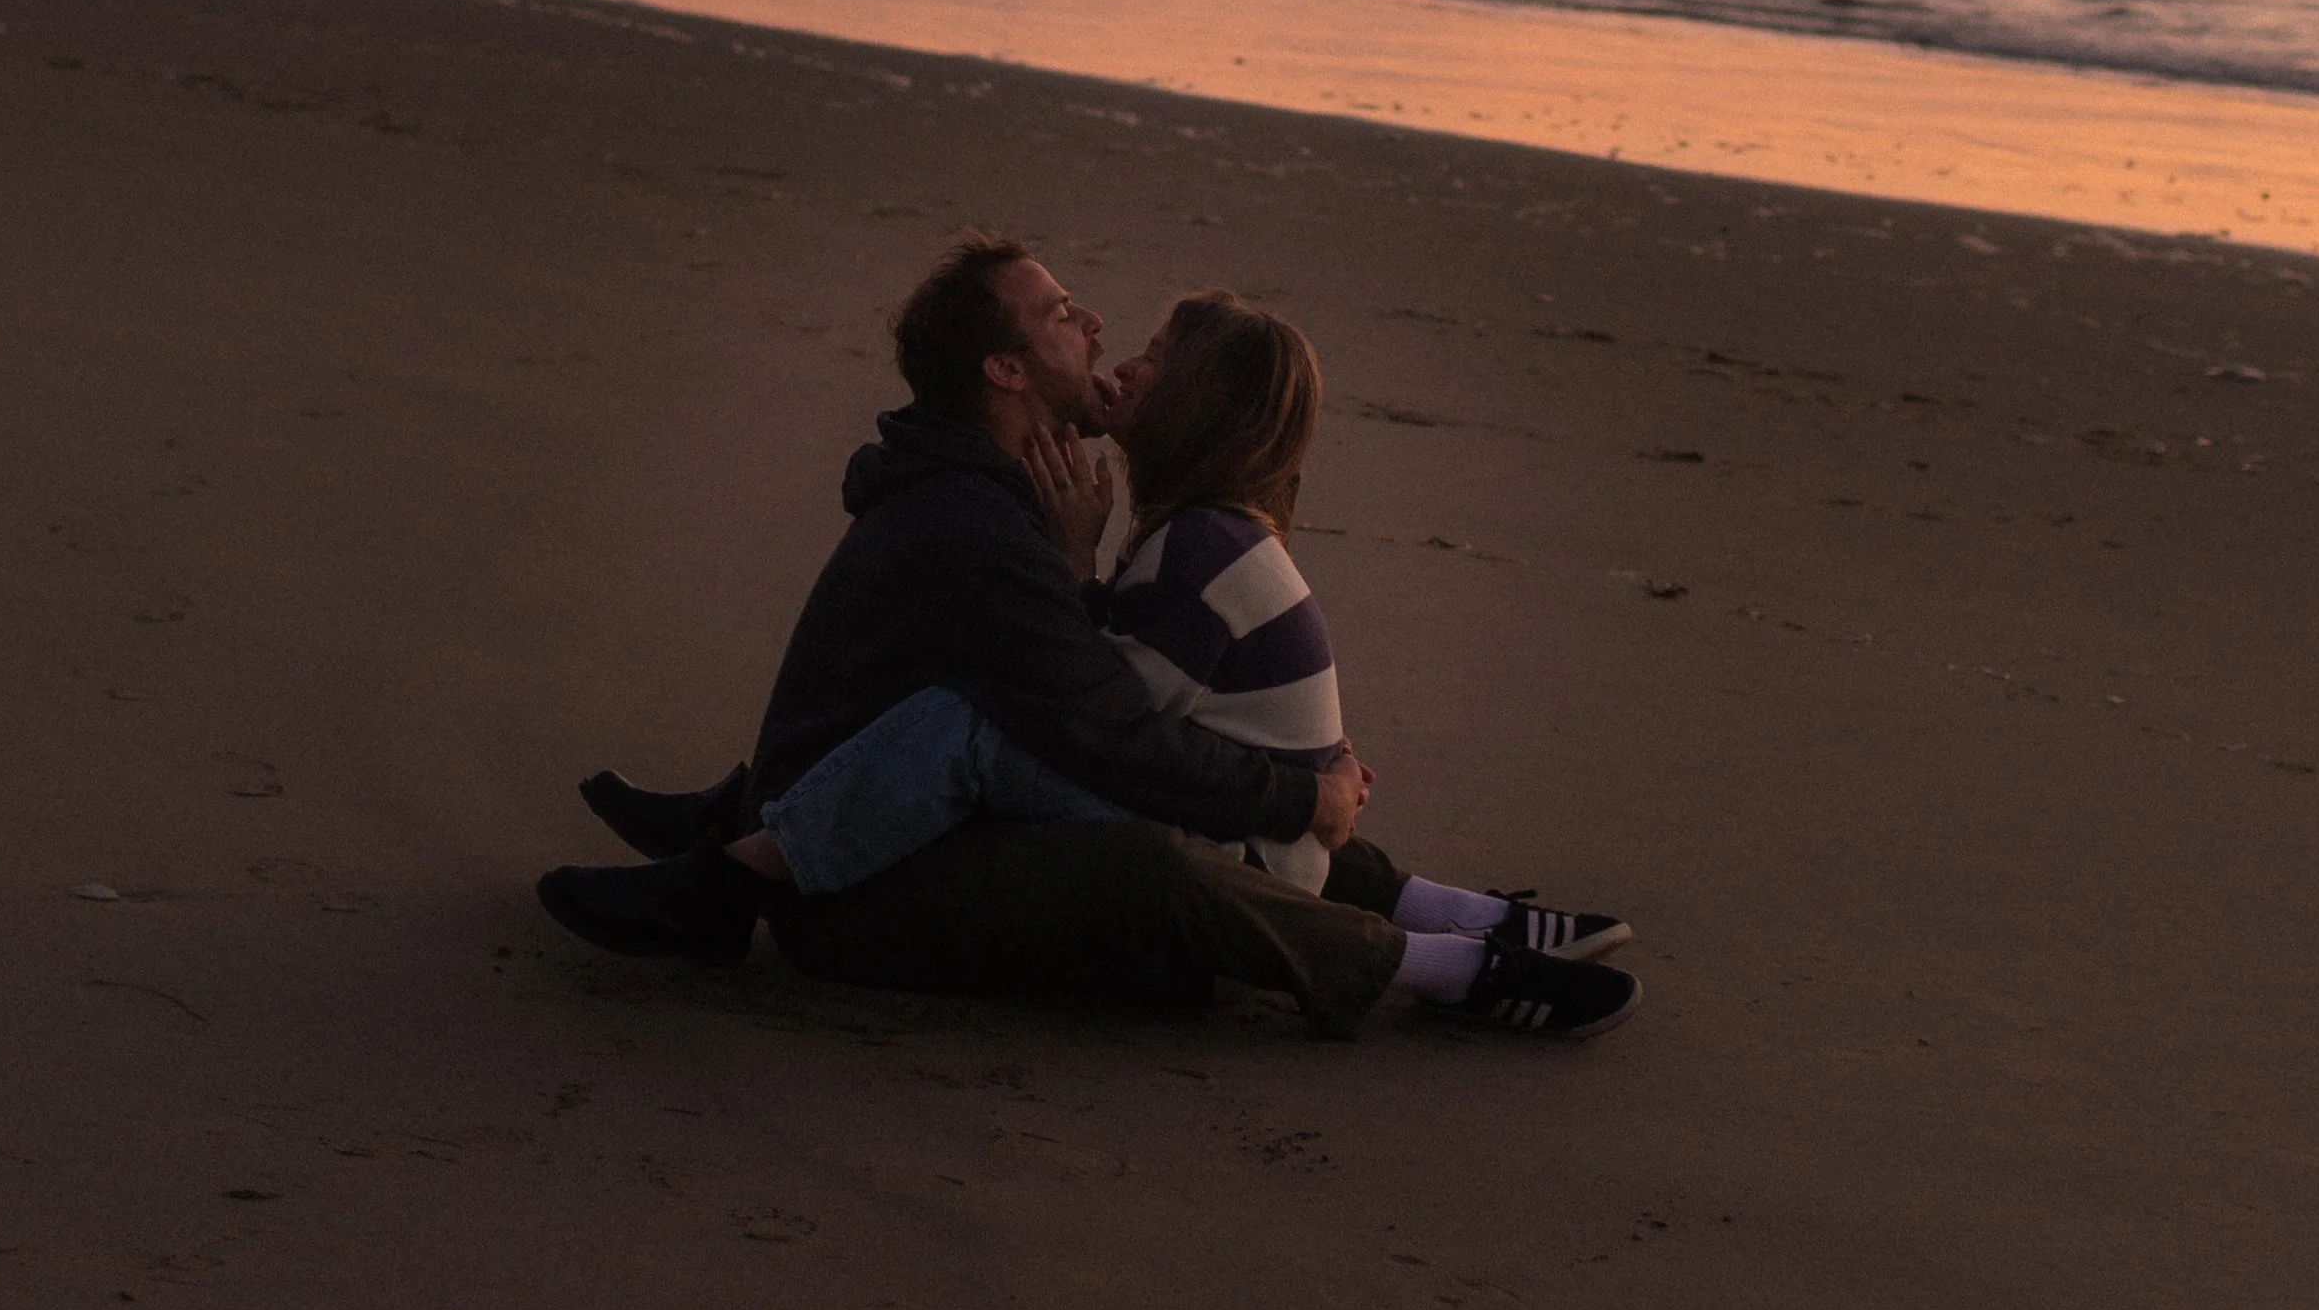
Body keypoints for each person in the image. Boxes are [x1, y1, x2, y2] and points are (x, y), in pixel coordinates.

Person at [539, 240, 1638, 1042]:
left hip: (897, 834)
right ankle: (1445, 958)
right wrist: (1298, 795)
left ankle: (735, 837)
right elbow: (1106, 730)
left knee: (1082, 770)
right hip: (861, 888)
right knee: (1092, 806)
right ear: (1006, 372)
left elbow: (1089, 712)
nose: (1098, 329)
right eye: (1064, 312)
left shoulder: (999, 493)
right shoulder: (992, 524)